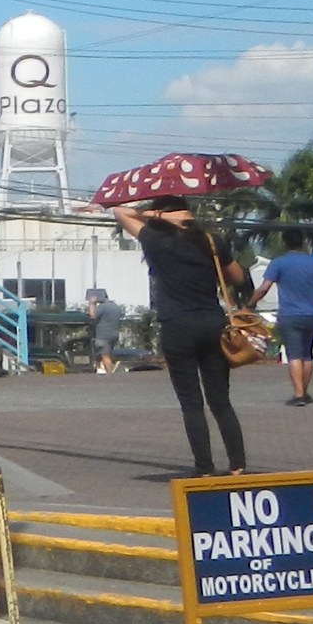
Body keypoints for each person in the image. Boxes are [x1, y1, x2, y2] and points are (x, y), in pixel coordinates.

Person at [116, 197, 250, 476]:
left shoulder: (155, 240)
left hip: (177, 327)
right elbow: (238, 277)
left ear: (161, 215)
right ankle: (237, 465)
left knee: (191, 403)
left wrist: (157, 216)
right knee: (220, 399)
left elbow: (120, 212)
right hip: (213, 324)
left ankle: (204, 468)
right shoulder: (210, 241)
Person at [255, 232, 313, 406]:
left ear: (284, 243)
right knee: (307, 355)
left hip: (289, 315)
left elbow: (264, 287)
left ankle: (298, 395)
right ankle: (304, 391)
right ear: (303, 243)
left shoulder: (279, 263)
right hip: (310, 314)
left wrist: (250, 302)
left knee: (294, 355)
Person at [85, 285, 124, 374]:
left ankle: (110, 373)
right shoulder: (116, 307)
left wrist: (92, 303)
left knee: (104, 355)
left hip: (103, 335)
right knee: (108, 354)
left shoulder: (103, 307)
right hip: (114, 334)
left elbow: (93, 316)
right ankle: (109, 369)